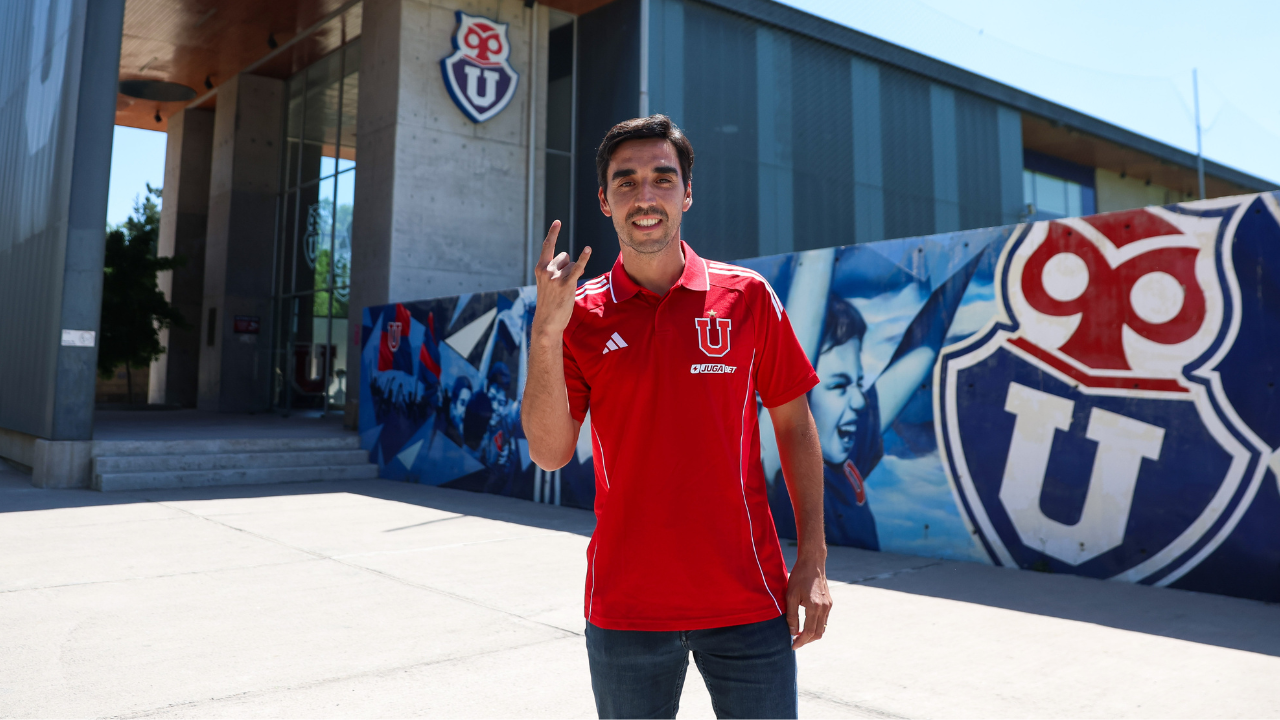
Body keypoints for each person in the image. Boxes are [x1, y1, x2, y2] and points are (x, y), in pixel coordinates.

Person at [522, 115, 831, 719]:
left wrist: (813, 562)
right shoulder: (578, 317)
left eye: (663, 178)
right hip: (627, 609)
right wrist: (545, 330)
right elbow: (549, 451)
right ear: (604, 200)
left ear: (687, 193)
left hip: (750, 602)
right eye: (627, 181)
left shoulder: (746, 298)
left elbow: (794, 425)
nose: (646, 196)